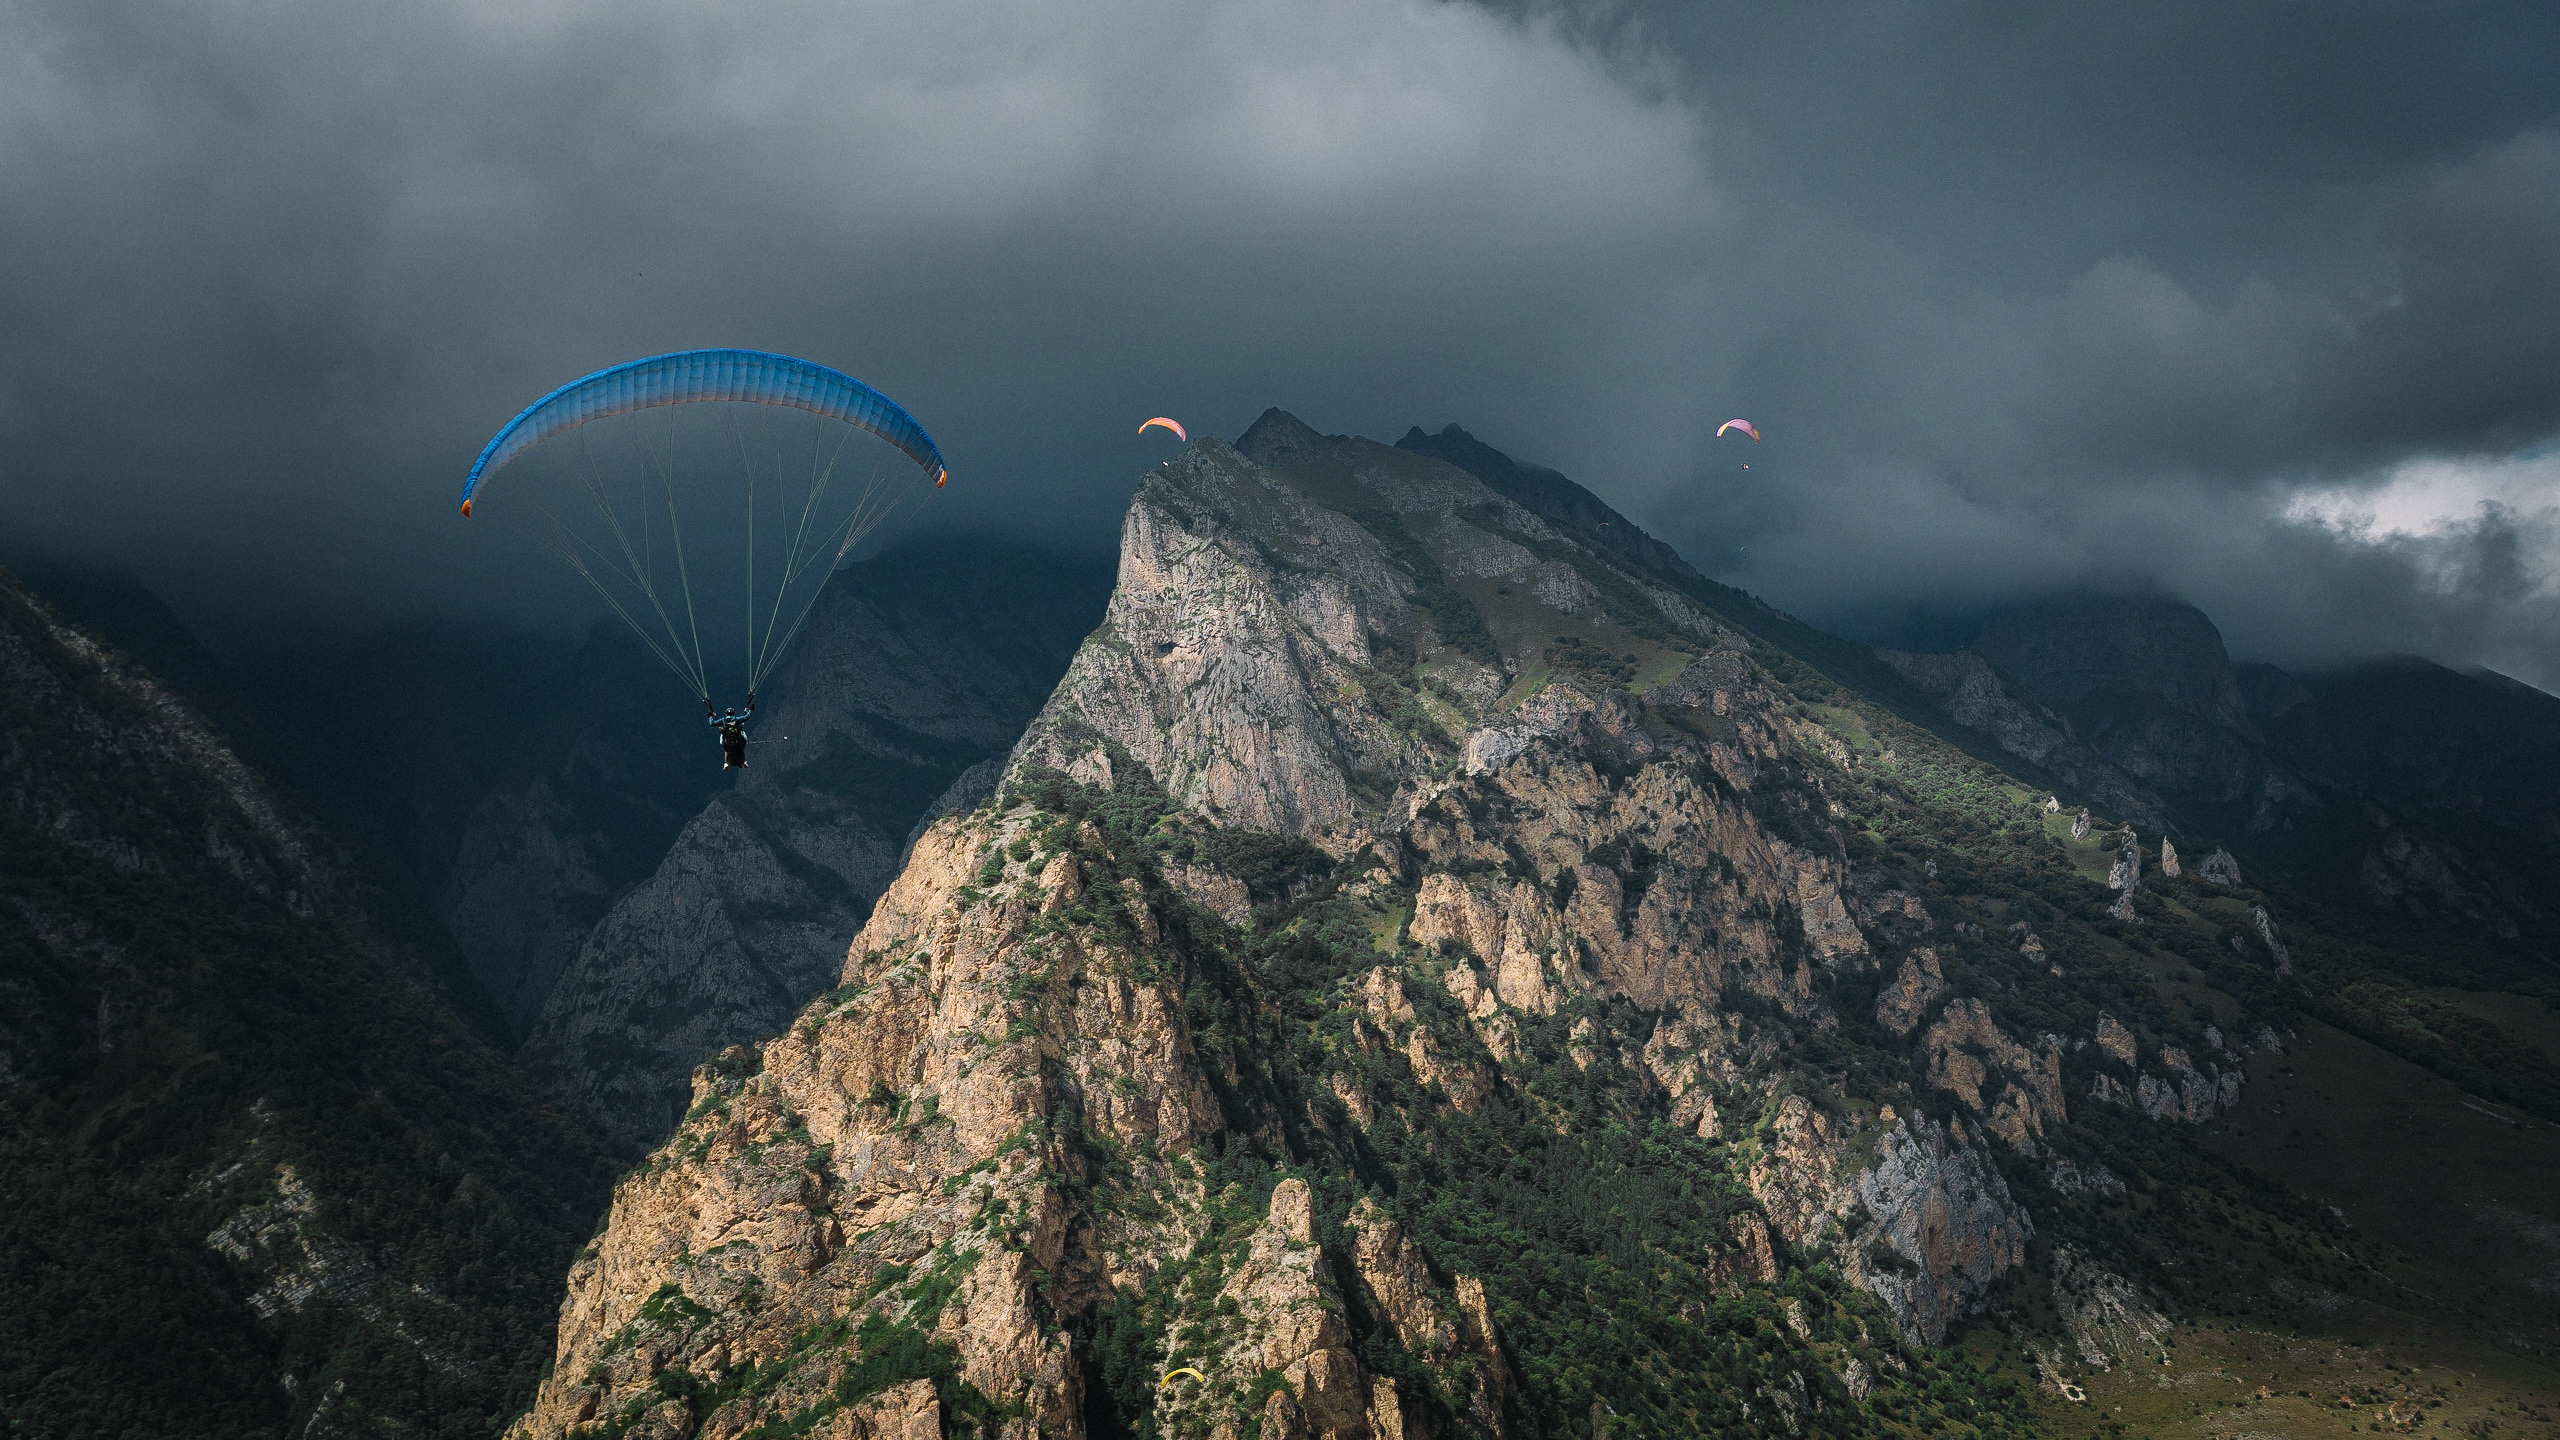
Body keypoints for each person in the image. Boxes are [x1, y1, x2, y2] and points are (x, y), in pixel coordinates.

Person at [709, 695, 755, 769]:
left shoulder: (722, 720)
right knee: (743, 744)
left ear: (726, 714)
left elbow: (712, 724)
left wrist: (710, 716)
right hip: (738, 741)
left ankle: (726, 763)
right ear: (734, 714)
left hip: (728, 742)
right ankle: (744, 761)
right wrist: (750, 710)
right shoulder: (738, 719)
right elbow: (747, 717)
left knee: (725, 747)